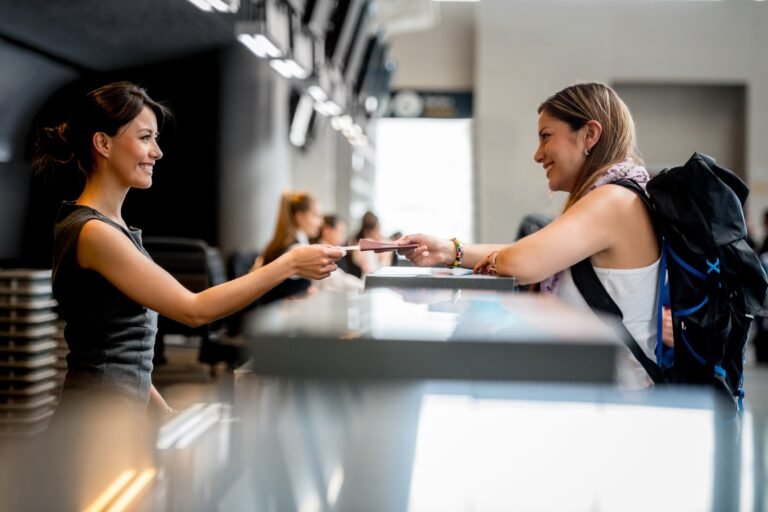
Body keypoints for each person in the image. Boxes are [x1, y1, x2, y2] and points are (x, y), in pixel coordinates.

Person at [32, 81, 344, 414]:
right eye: (144, 138)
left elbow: (123, 353)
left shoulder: (111, 227)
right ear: (103, 143)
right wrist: (290, 264)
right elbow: (194, 310)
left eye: (156, 138)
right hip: (97, 423)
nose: (157, 151)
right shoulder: (95, 232)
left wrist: (164, 414)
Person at [400, 82, 661, 385]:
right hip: (599, 388)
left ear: (589, 134)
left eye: (546, 136)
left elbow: (524, 261)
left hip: (615, 398)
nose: (538, 155)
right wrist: (447, 250)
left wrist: (497, 259)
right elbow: (532, 253)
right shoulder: (617, 196)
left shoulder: (613, 200)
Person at [253, 190, 326, 304]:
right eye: (316, 215)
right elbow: (331, 279)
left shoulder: (286, 241)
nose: (321, 222)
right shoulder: (296, 248)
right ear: (300, 217)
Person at [312, 214, 364, 291]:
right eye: (341, 232)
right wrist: (363, 285)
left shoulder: (340, 250)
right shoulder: (318, 252)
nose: (344, 237)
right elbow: (339, 280)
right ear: (326, 231)